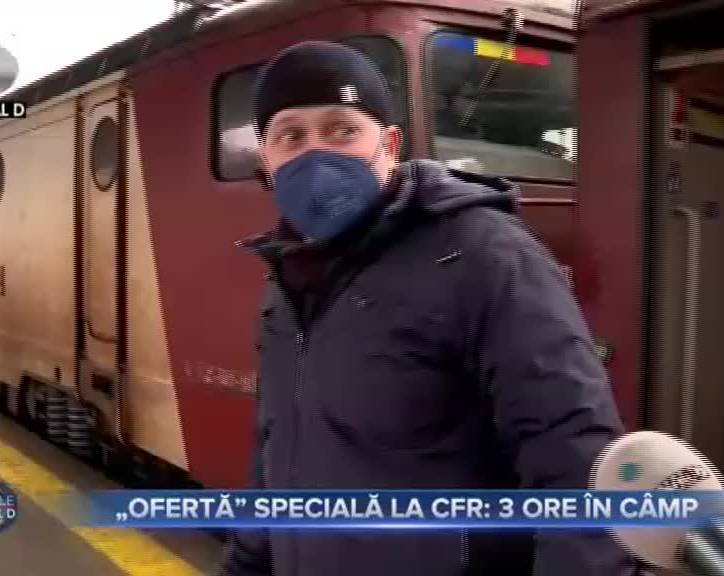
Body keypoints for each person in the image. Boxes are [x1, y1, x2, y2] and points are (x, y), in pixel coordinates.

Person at [220, 41, 639, 576]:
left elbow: (572, 452)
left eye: (342, 130)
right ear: (267, 158)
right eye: (290, 136)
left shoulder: (482, 252)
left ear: (390, 143)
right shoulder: (289, 274)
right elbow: (277, 447)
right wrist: (246, 562)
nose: (315, 154)